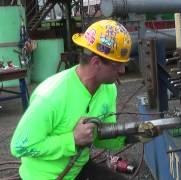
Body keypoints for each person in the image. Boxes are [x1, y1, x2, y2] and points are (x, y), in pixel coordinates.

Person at [10, 20, 132, 179]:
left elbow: (102, 139)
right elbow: (19, 146)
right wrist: (72, 139)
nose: (122, 71)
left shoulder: (108, 88)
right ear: (96, 62)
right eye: (117, 66)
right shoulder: (51, 96)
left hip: (78, 169)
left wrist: (135, 134)